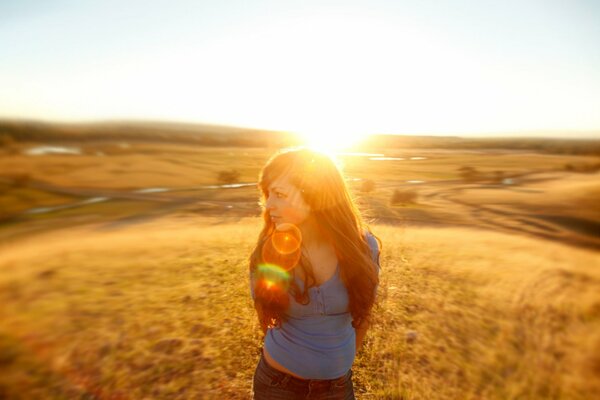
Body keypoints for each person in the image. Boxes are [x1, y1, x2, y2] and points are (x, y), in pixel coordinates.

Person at [248, 147, 381, 399]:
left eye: (279, 194)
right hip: (278, 386)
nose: (268, 205)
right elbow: (264, 316)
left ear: (315, 195)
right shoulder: (270, 251)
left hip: (338, 388)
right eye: (267, 194)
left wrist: (339, 360)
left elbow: (364, 314)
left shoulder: (363, 248)